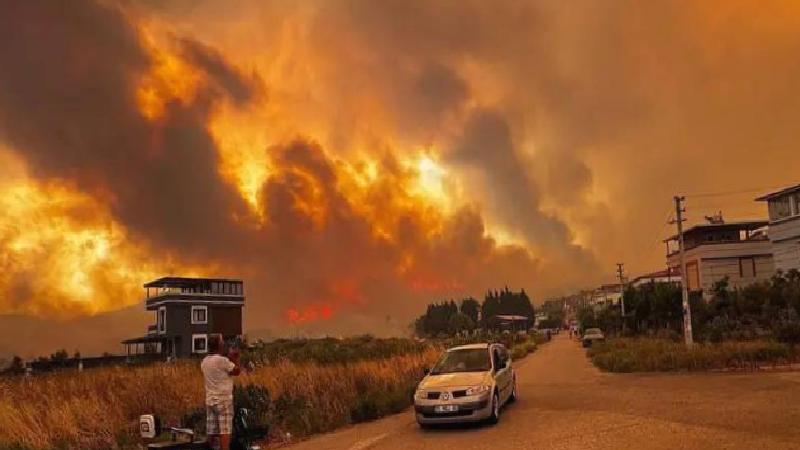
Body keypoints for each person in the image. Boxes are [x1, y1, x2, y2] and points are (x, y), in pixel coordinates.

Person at [201, 334, 241, 450]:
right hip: (223, 400)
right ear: (219, 345)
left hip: (210, 400)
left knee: (212, 430)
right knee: (225, 430)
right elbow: (237, 371)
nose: (224, 343)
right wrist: (235, 358)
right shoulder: (222, 361)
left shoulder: (204, 361)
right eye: (222, 341)